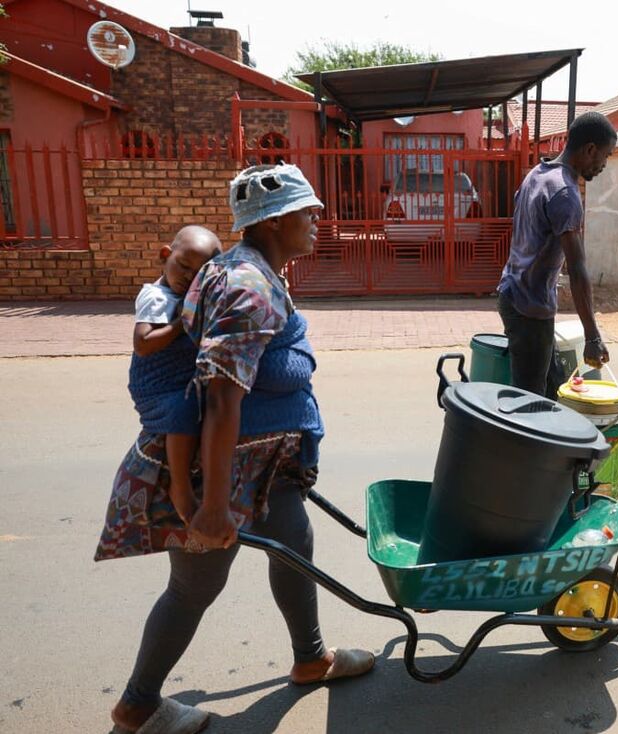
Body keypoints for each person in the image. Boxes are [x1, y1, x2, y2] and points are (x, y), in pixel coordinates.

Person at [98, 163, 374, 734]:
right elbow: (221, 398)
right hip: (219, 474)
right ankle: (137, 705)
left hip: (266, 468)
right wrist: (214, 505)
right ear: (273, 221)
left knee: (293, 544)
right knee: (197, 585)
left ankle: (310, 657)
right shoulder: (247, 285)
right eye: (308, 210)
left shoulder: (256, 271)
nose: (318, 218)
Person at [497, 110, 617, 397]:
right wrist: (592, 336)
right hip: (530, 307)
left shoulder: (537, 174)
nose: (604, 164)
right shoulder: (565, 194)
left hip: (514, 295)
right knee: (529, 404)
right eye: (606, 155)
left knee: (553, 387)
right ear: (590, 150)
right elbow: (577, 270)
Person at [130, 225, 222, 525]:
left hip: (181, 379)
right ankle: (180, 486)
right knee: (183, 411)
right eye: (183, 266)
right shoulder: (156, 296)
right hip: (156, 383)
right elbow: (143, 344)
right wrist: (181, 323)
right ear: (165, 255)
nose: (187, 278)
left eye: (198, 275)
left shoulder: (191, 300)